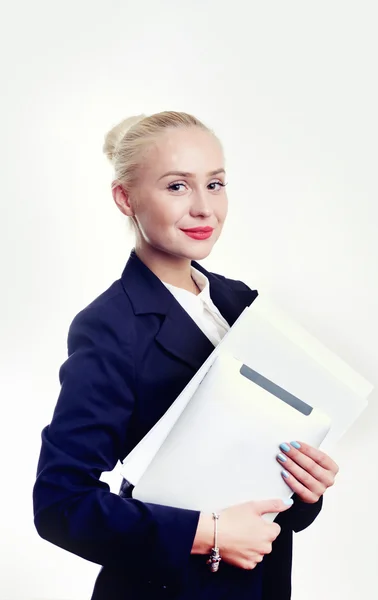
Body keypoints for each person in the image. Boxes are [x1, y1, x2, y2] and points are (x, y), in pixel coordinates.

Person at [33, 111, 339, 600]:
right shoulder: (110, 326)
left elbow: (270, 485)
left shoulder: (243, 304)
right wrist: (208, 533)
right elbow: (61, 504)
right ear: (125, 198)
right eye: (177, 187)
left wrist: (304, 485)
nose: (204, 208)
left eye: (215, 184)